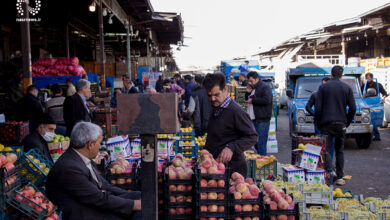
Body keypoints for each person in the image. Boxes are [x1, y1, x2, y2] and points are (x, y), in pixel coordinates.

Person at [46, 122, 141, 220]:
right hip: (85, 213)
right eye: (99, 143)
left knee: (138, 196)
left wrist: (129, 196)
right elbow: (99, 199)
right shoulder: (69, 169)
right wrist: (133, 204)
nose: (100, 147)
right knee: (138, 210)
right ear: (90, 144)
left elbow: (104, 185)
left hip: (94, 204)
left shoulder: (83, 158)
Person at [203, 73, 258, 177]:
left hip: (232, 170)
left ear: (225, 90)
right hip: (217, 168)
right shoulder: (216, 107)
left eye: (216, 95)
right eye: (209, 96)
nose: (213, 99)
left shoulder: (236, 111)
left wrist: (231, 147)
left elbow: (252, 137)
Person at [315, 65, 356, 186]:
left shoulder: (323, 88)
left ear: (331, 74)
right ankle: (340, 176)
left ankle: (329, 173)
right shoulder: (347, 88)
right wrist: (347, 121)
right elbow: (353, 108)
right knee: (339, 150)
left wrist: (318, 122)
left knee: (326, 149)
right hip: (341, 124)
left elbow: (317, 108)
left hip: (326, 124)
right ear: (341, 75)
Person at [246, 71, 273, 156]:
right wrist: (248, 92)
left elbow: (267, 100)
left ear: (257, 79)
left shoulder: (265, 87)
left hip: (262, 119)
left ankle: (262, 162)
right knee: (256, 142)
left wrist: (253, 101)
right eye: (249, 81)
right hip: (254, 119)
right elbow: (248, 99)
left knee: (261, 143)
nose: (250, 83)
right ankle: (259, 159)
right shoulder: (254, 88)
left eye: (251, 81)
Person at [361, 72, 388, 141]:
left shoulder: (377, 85)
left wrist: (383, 99)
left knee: (374, 120)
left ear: (372, 78)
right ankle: (373, 136)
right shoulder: (364, 86)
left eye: (369, 78)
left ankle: (376, 136)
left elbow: (384, 93)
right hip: (366, 105)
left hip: (375, 104)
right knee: (368, 120)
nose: (368, 80)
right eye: (366, 78)